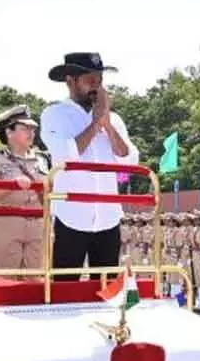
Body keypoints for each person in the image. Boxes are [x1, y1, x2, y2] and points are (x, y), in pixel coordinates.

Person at [40, 52, 139, 276]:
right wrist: (95, 125)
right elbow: (64, 155)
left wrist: (107, 125)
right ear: (70, 81)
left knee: (106, 290)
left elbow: (130, 161)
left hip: (108, 216)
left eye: (100, 80)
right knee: (65, 289)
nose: (97, 86)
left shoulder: (114, 119)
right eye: (90, 80)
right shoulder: (54, 114)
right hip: (70, 216)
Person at [0, 104, 45, 273]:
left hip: (38, 224)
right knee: (7, 279)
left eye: (33, 128)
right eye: (25, 128)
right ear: (9, 132)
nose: (31, 133)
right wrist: (13, 185)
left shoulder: (42, 159)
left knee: (36, 281)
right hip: (7, 221)